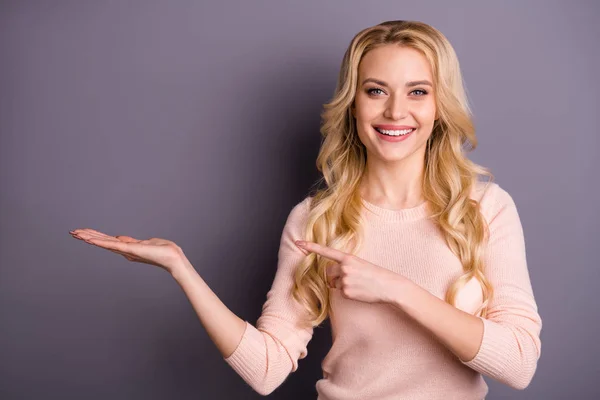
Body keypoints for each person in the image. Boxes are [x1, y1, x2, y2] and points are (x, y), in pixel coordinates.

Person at [69, 20, 542, 400]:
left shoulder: (484, 208)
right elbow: (267, 368)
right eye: (376, 90)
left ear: (440, 106)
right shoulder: (317, 219)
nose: (396, 111)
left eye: (418, 91)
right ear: (353, 104)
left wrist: (396, 289)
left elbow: (519, 365)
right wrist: (180, 268)